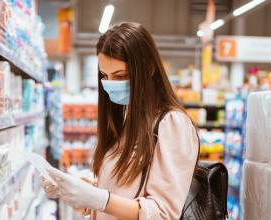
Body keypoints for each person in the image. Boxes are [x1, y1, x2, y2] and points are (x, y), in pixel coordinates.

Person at [41, 22, 199, 220]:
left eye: (121, 75)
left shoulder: (172, 124)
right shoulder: (128, 120)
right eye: (105, 76)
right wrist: (81, 191)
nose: (110, 85)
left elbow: (163, 214)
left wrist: (101, 199)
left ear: (149, 69)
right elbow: (124, 196)